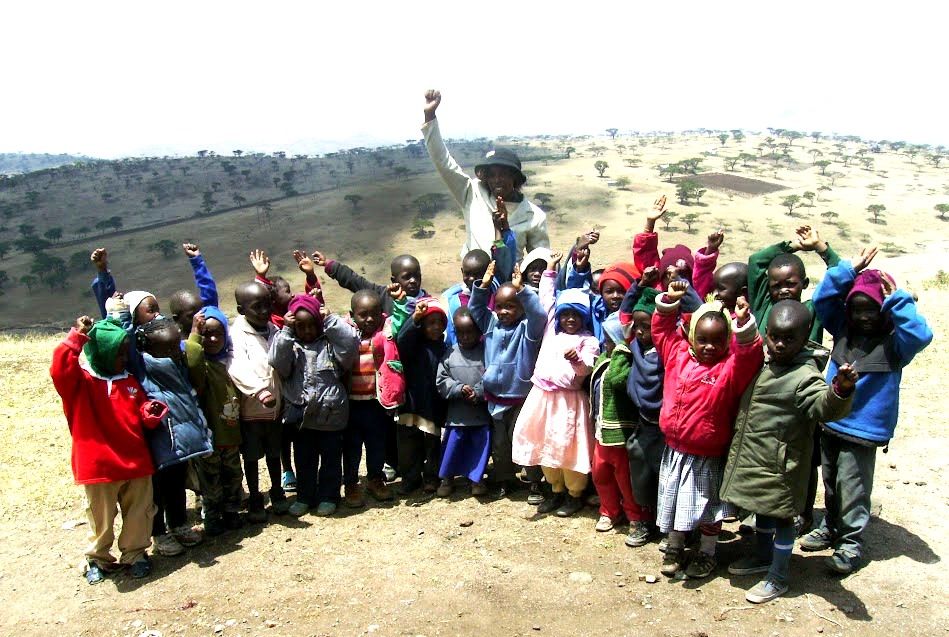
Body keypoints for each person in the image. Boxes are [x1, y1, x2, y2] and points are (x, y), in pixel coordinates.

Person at [801, 247, 933, 574]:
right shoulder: (843, 329)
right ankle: (831, 526)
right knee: (831, 482)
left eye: (871, 309)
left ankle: (850, 543)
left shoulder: (896, 344)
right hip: (832, 421)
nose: (863, 316)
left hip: (863, 430)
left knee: (854, 488)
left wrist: (898, 299)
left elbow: (922, 335)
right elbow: (821, 299)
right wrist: (847, 269)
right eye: (857, 309)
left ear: (884, 308)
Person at [721, 300, 857, 603]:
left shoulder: (804, 376)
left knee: (783, 518)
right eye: (774, 337)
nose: (780, 344)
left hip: (783, 465)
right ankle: (762, 556)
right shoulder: (766, 362)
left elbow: (823, 406)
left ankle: (779, 575)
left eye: (789, 339)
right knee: (762, 508)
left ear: (805, 337)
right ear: (767, 333)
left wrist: (840, 391)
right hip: (758, 456)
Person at [652, 282, 764, 579]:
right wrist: (669, 301)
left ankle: (707, 552)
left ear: (727, 340)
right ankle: (675, 545)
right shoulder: (677, 355)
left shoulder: (728, 369)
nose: (709, 346)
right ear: (692, 336)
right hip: (675, 450)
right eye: (702, 339)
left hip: (707, 455)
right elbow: (662, 331)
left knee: (707, 508)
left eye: (717, 340)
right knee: (675, 500)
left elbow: (749, 356)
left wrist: (743, 325)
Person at [50, 316, 168, 584]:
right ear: (102, 353)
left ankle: (135, 554)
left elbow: (138, 409)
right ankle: (97, 558)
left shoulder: (129, 382)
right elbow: (59, 370)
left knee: (139, 511)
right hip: (99, 465)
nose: (124, 359)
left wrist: (147, 413)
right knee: (100, 517)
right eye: (118, 354)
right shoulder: (80, 383)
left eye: (126, 353)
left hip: (136, 461)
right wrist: (76, 338)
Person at [748, 224, 841, 534]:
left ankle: (803, 511)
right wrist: (791, 245)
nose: (784, 290)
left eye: (791, 283)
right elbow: (757, 261)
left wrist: (822, 249)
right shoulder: (764, 308)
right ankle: (759, 509)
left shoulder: (812, 310)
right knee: (763, 453)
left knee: (804, 455)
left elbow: (840, 279)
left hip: (801, 395)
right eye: (776, 285)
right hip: (765, 394)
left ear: (804, 283)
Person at [512, 253, 600, 517]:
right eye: (566, 314)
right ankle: (555, 489)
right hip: (541, 397)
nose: (570, 319)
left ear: (584, 318)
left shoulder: (588, 341)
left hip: (568, 401)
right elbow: (547, 300)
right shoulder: (552, 330)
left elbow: (587, 367)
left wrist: (577, 360)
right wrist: (550, 270)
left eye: (576, 315)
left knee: (567, 446)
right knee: (544, 442)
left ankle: (574, 493)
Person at [421, 89, 549, 259]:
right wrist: (430, 116)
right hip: (473, 274)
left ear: (515, 177)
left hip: (512, 276)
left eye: (503, 174)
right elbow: (443, 162)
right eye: (492, 174)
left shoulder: (534, 216)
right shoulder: (471, 193)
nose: (497, 180)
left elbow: (541, 259)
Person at [270, 294, 359, 517]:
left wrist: (330, 320)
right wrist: (286, 332)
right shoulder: (291, 345)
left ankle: (329, 496)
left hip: (331, 415)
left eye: (312, 325)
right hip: (302, 418)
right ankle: (304, 497)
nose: (308, 331)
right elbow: (277, 362)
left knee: (331, 459)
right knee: (304, 460)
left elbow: (350, 343)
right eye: (301, 326)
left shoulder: (330, 344)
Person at [469, 262, 547, 501]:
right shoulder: (491, 325)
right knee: (500, 444)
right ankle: (505, 480)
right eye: (499, 306)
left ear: (522, 308)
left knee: (524, 439)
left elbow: (539, 315)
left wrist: (522, 289)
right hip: (495, 397)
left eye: (510, 306)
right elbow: (476, 308)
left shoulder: (527, 329)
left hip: (520, 397)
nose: (503, 311)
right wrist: (483, 286)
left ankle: (534, 482)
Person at [137, 318, 214, 557]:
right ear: (149, 349)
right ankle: (159, 533)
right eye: (168, 348)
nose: (175, 351)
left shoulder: (178, 364)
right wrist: (120, 314)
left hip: (180, 440)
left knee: (176, 484)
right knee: (157, 490)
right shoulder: (143, 367)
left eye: (176, 345)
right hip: (160, 440)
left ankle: (179, 524)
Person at [228, 281, 288, 522]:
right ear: (241, 310)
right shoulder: (237, 335)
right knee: (252, 457)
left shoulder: (272, 329)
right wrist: (259, 391)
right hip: (252, 410)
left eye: (267, 304)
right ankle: (255, 496)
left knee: (274, 452)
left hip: (275, 409)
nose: (264, 311)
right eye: (257, 307)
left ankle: (277, 490)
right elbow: (237, 367)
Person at [184, 307, 245, 536]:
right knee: (210, 480)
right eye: (206, 334)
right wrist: (194, 335)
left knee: (233, 475)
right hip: (209, 438)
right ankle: (212, 515)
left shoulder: (230, 363)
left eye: (218, 334)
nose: (212, 339)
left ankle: (232, 511)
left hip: (231, 436)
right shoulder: (202, 368)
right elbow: (192, 361)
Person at [341, 288, 405, 505]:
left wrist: (400, 302)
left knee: (377, 444)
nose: (370, 319)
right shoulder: (345, 333)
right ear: (352, 315)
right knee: (351, 447)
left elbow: (400, 320)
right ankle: (351, 483)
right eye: (363, 315)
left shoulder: (385, 331)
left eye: (375, 314)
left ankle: (375, 479)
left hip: (376, 402)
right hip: (351, 404)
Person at [589, 320, 647, 539]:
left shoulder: (626, 363)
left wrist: (623, 349)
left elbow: (617, 380)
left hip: (620, 433)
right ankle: (609, 510)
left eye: (610, 339)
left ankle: (635, 515)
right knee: (600, 474)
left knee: (624, 478)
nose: (606, 343)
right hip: (601, 430)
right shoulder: (604, 359)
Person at [618, 286, 664, 548]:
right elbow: (624, 315)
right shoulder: (635, 345)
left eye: (646, 326)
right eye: (637, 326)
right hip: (642, 422)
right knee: (641, 475)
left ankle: (668, 526)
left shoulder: (668, 351)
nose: (639, 331)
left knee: (664, 477)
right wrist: (637, 286)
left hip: (665, 427)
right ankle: (644, 521)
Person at [435, 307, 491, 497]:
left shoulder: (486, 352)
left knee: (478, 448)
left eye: (470, 332)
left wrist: (479, 392)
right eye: (460, 332)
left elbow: (493, 375)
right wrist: (458, 389)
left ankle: (476, 480)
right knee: (452, 448)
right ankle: (447, 478)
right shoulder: (450, 353)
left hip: (480, 414)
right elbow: (442, 380)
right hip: (457, 415)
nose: (465, 337)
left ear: (479, 331)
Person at [395, 297, 449, 494]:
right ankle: (410, 478)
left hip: (432, 404)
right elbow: (402, 339)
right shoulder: (413, 345)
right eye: (430, 323)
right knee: (409, 444)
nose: (436, 327)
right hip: (411, 402)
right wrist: (415, 319)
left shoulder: (444, 348)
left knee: (432, 442)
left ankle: (431, 477)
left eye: (440, 323)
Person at [169, 243, 219, 339]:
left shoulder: (207, 326)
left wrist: (197, 260)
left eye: (202, 311)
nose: (199, 317)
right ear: (176, 319)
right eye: (191, 316)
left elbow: (209, 290)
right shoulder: (178, 344)